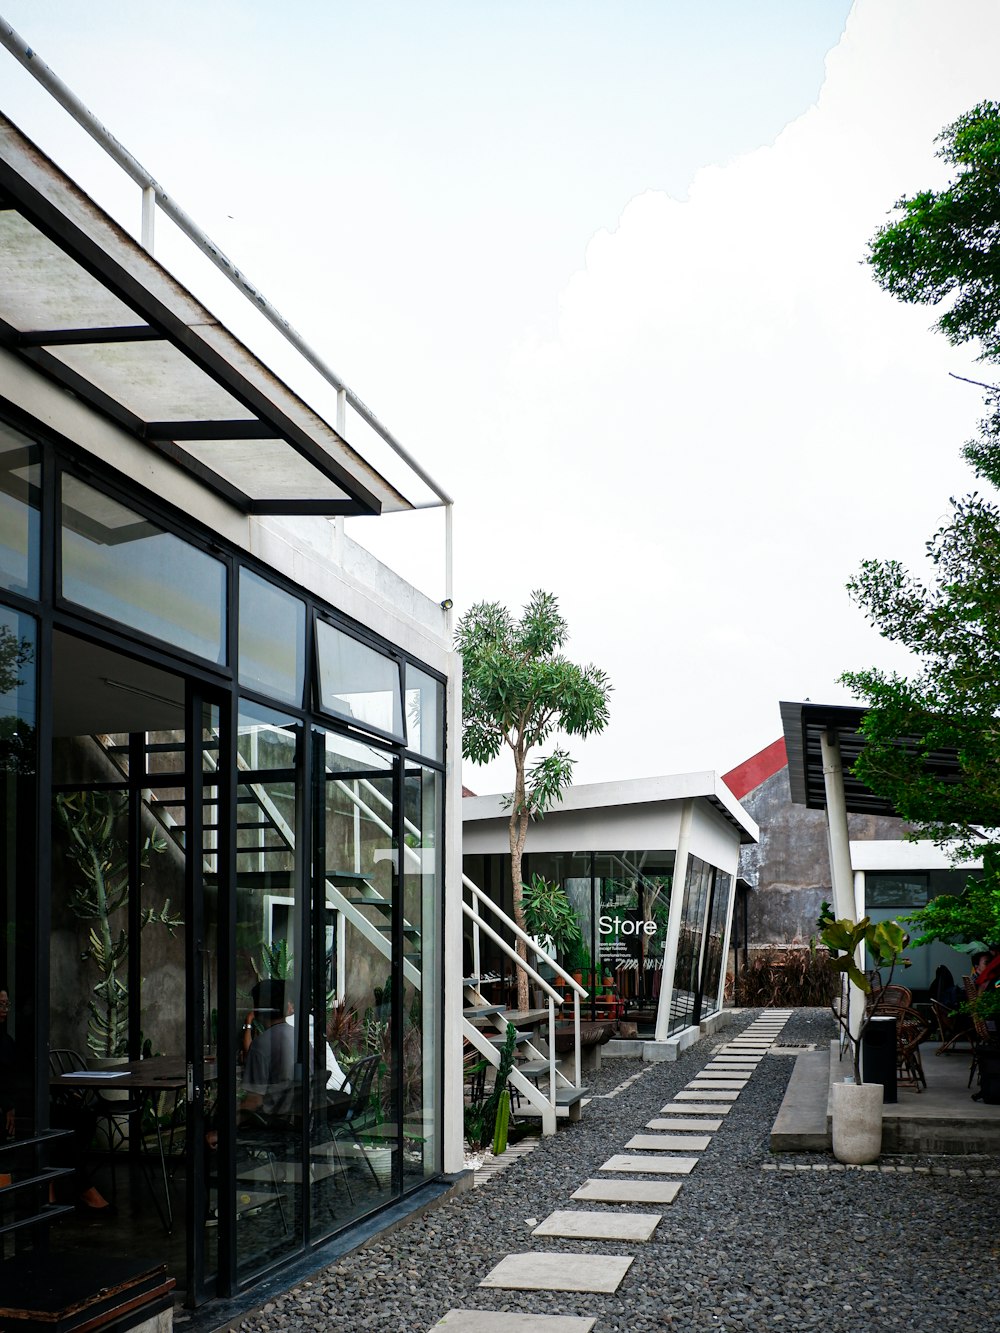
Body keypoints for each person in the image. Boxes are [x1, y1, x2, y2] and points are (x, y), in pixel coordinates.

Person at [240, 980, 295, 1125]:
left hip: (272, 1122)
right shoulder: (300, 1037)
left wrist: (220, 1132)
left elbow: (254, 1101)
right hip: (297, 1119)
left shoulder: (262, 1044)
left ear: (259, 1009)